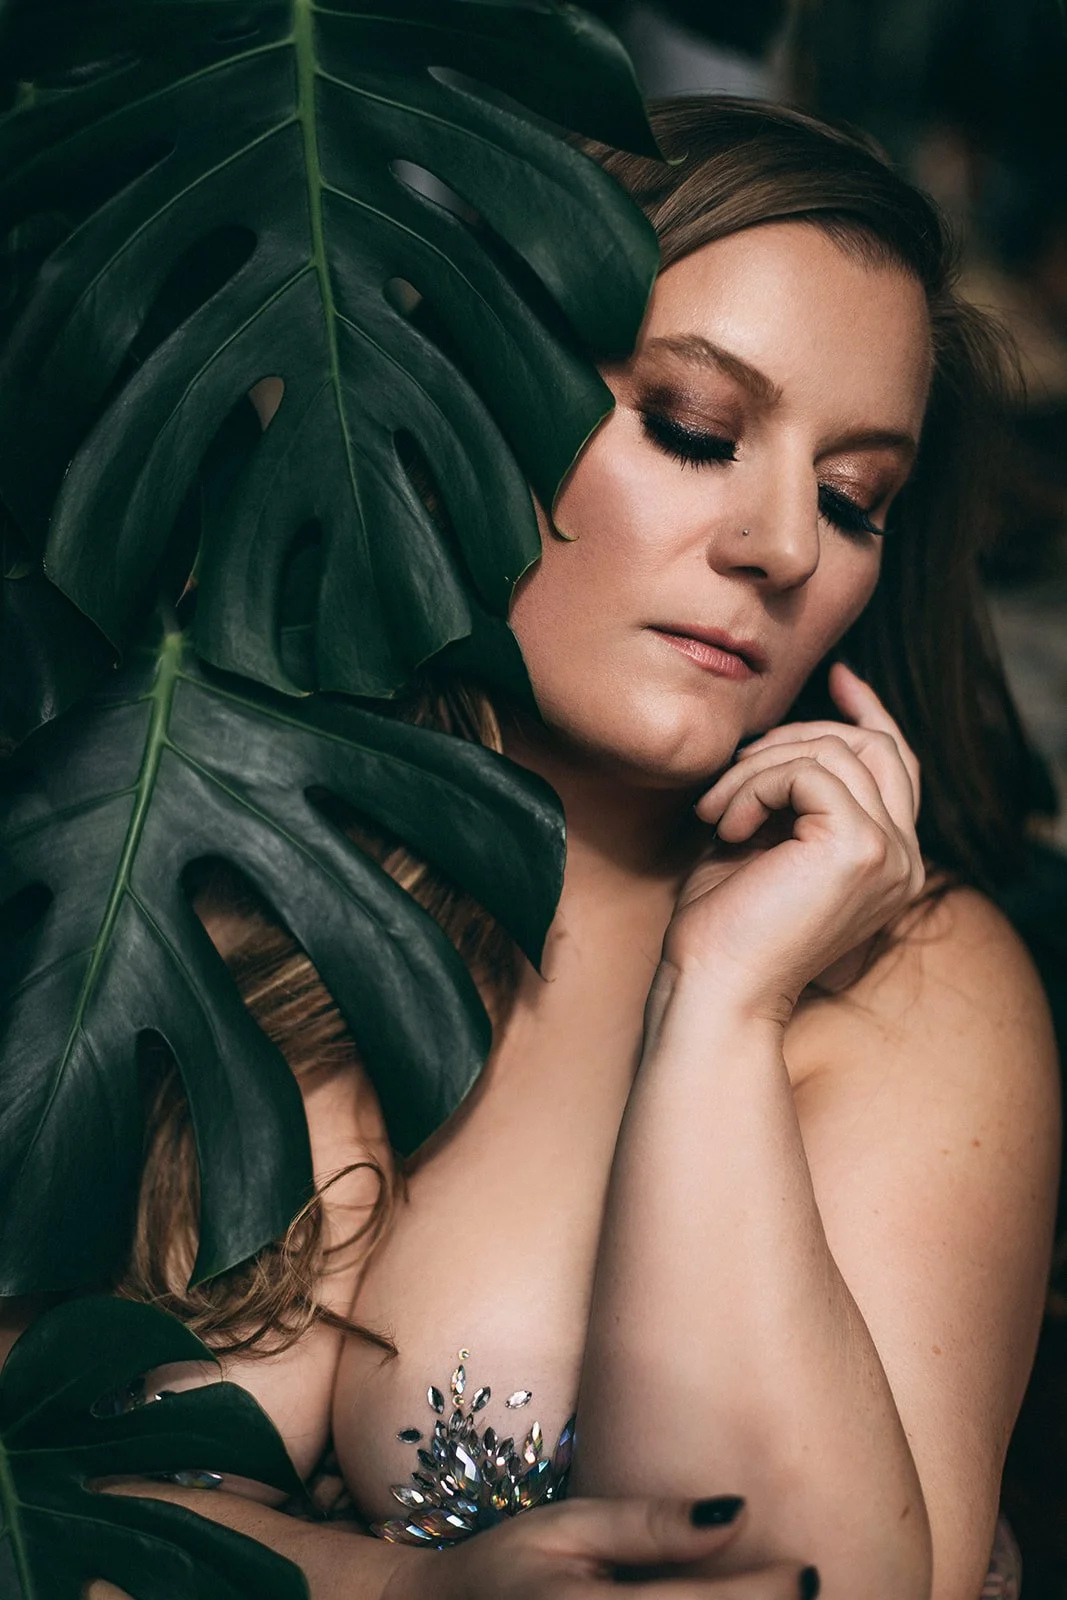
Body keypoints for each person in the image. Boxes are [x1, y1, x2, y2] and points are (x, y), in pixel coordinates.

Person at [80, 97, 1060, 1599]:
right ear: (452, 405)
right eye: (694, 430)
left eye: (852, 499)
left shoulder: (910, 986)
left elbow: (797, 1582)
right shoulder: (172, 837)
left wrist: (720, 1010)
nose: (784, 545)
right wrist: (395, 1587)